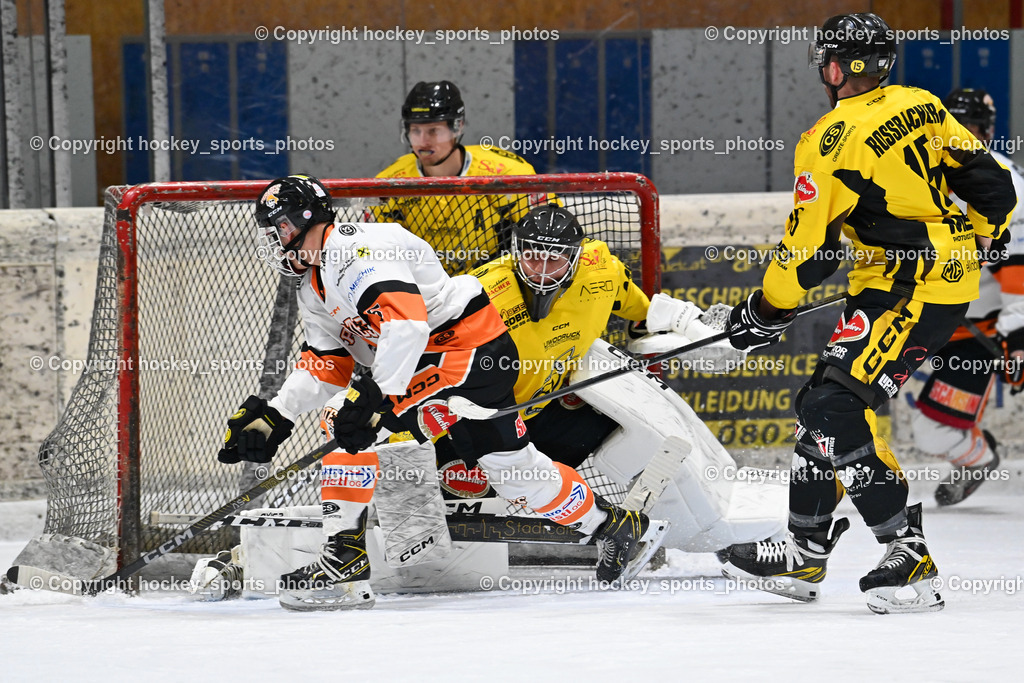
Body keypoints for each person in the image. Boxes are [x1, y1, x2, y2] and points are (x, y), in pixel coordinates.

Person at [216, 174, 650, 611]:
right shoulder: (314, 283)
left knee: (342, 419)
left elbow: (407, 325)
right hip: (468, 354)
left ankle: (343, 562)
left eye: (283, 230)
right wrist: (277, 414)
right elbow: (329, 362)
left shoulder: (354, 250)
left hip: (461, 351)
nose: (277, 241)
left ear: (308, 221)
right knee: (516, 470)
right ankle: (614, 527)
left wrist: (376, 399)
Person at [719, 12, 1017, 614]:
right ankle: (805, 547)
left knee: (835, 406)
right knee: (818, 405)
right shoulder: (922, 105)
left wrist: (764, 310)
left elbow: (809, 252)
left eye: (827, 58)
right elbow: (994, 185)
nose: (822, 69)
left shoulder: (827, 141)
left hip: (912, 286)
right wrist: (986, 235)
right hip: (916, 281)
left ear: (841, 66)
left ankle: (908, 555)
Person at [910, 88, 1024, 506]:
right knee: (852, 396)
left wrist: (1019, 335)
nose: (963, 135)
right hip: (922, 316)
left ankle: (978, 459)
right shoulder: (922, 170)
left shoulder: (1005, 181)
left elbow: (1018, 268)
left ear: (987, 131)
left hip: (973, 332)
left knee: (931, 431)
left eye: (971, 127)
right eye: (956, 125)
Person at [374, 81, 543, 273]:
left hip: (493, 288)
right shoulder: (391, 181)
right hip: (423, 292)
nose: (423, 141)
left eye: (434, 131)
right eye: (415, 131)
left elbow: (550, 233)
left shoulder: (505, 173)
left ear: (458, 127)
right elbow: (377, 253)